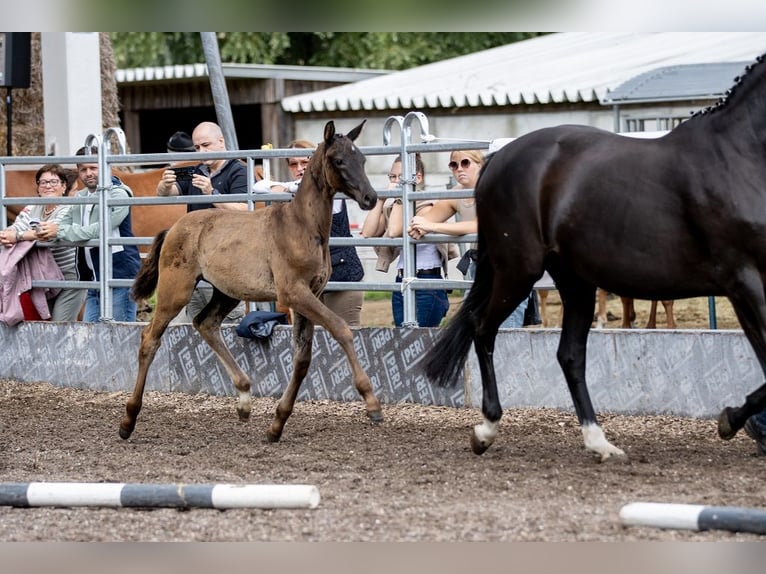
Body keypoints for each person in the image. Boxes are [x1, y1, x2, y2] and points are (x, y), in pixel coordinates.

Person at [408, 149, 533, 328]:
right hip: (479, 264)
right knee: (474, 327)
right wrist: (419, 226)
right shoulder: (456, 193)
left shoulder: (496, 187)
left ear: (480, 164)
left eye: (465, 163)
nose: (459, 169)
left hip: (508, 266)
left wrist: (433, 227)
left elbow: (481, 225)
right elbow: (428, 219)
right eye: (454, 165)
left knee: (505, 329)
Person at [254, 139, 365, 326]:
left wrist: (286, 187)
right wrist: (284, 186)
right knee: (313, 344)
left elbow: (300, 187)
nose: (300, 168)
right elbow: (258, 186)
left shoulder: (330, 186)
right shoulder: (298, 190)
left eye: (305, 162)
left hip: (341, 274)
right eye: (293, 164)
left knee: (347, 335)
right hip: (308, 281)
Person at [35, 148, 142, 322]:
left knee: (119, 334)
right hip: (92, 274)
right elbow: (64, 223)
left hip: (118, 273)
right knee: (91, 334)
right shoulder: (81, 196)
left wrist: (59, 231)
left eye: (93, 167)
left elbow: (101, 229)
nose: (88, 173)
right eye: (83, 169)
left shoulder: (118, 193)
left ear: (105, 167)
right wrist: (47, 230)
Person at [156, 121, 248, 321]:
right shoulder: (195, 170)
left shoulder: (239, 170)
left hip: (227, 261)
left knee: (229, 322)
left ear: (221, 141)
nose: (201, 151)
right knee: (193, 321)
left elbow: (245, 208)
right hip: (195, 264)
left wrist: (211, 193)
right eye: (197, 147)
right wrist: (165, 184)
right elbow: (166, 194)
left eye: (206, 145)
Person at [362, 154, 450, 327]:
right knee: (403, 341)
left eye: (401, 178)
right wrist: (381, 198)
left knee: (421, 339)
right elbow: (367, 232)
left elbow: (395, 231)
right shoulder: (392, 207)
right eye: (392, 177)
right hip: (401, 281)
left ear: (418, 178)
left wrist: (399, 195)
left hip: (427, 282)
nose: (395, 182)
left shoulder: (428, 206)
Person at [0, 164, 86, 321]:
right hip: (44, 279)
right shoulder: (32, 207)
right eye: (43, 182)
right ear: (38, 188)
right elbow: (11, 231)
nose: (48, 186)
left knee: (59, 327)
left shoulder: (70, 208)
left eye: (54, 182)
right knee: (45, 327)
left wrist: (18, 236)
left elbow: (48, 233)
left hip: (69, 278)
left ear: (63, 187)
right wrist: (13, 234)